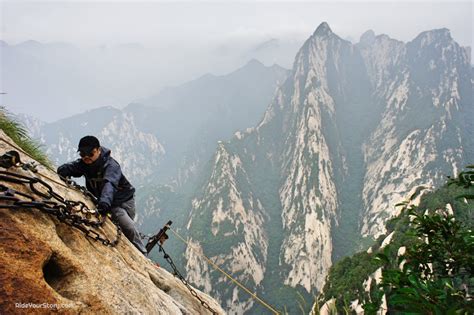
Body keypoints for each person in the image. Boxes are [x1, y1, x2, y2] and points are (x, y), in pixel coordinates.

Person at [57, 135, 147, 255]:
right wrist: (63, 170)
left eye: (90, 154)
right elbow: (71, 168)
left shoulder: (111, 166)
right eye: (82, 154)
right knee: (124, 226)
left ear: (98, 150)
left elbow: (109, 184)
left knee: (128, 227)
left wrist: (105, 202)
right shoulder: (85, 164)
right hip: (106, 199)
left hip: (123, 200)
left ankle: (143, 254)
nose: (86, 157)